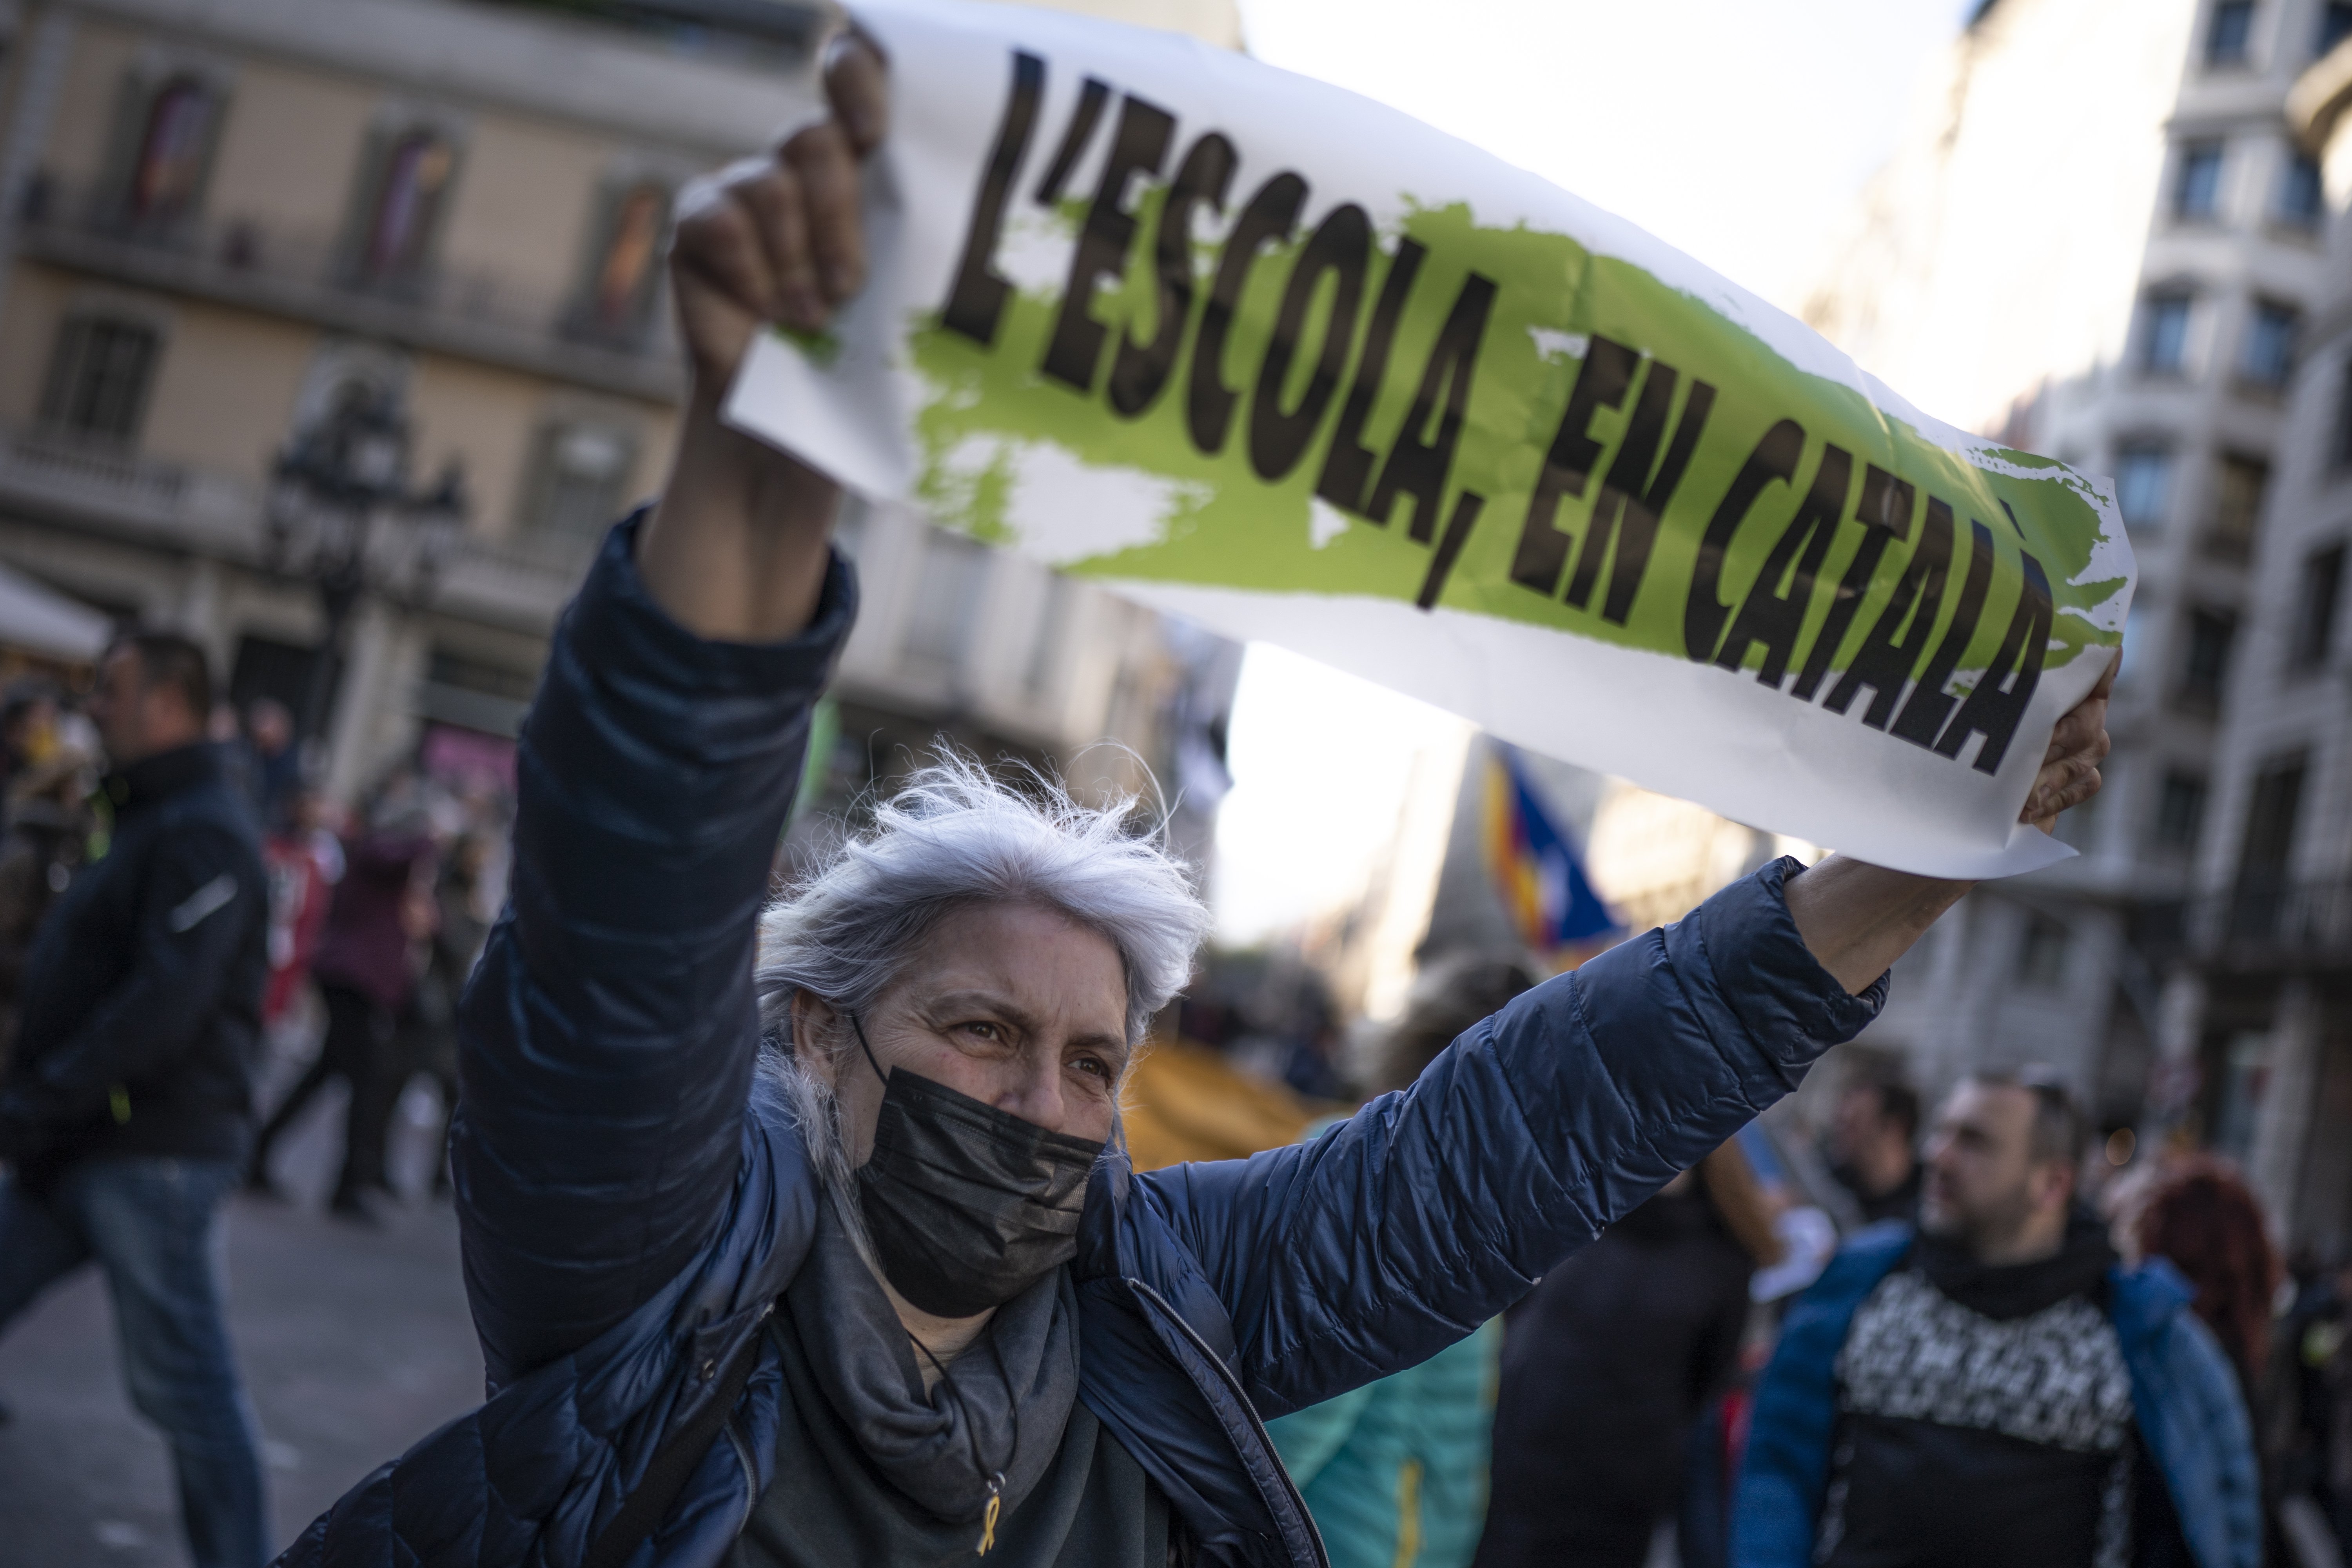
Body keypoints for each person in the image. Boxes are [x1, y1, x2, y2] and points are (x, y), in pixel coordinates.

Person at [273, 39, 2114, 1568]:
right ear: (819, 1034)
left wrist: (1910, 865)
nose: (1045, 1100)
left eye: (1092, 1058)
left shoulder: (1160, 1291)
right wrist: (755, 454)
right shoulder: (652, 1252)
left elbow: (1516, 1134)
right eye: (983, 1025)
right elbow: (623, 917)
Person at [1734, 1071, 2261, 1568]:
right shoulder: (1861, 1282)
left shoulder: (2143, 1331)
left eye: (1974, 1142)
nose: (1938, 1156)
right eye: (1942, 1133)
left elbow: (2221, 1511)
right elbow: (1778, 1465)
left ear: (2052, 1184)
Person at [0, 632, 271, 1568]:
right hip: (82, 1141)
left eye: (112, 690)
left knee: (190, 1394)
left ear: (167, 703)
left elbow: (162, 1004)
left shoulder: (203, 826)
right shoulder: (152, 813)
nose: (95, 707)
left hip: (146, 1155)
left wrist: (41, 1097)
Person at [1265, 956, 1535, 1568]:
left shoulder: (1368, 1168)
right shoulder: (1470, 1196)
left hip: (1346, 1539)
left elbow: (1299, 1409)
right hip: (1401, 1538)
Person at [1476, 1138, 1781, 1568]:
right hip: (1518, 1469)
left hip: (1619, 1494)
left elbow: (1707, 1378)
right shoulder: (1573, 1208)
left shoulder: (1721, 1257)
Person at [246, 805, 436, 1220]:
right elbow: (394, 856)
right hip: (354, 981)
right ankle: (349, 1182)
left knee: (328, 1073)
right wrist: (432, 835)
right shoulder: (376, 851)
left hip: (358, 980)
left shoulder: (375, 859)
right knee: (365, 1081)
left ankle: (262, 1151)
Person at [1823, 1071, 1922, 1227]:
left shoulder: (1927, 1204)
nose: (1839, 1133)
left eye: (1853, 1125)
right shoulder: (1830, 1181)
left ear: (1894, 1129)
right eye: (1840, 1122)